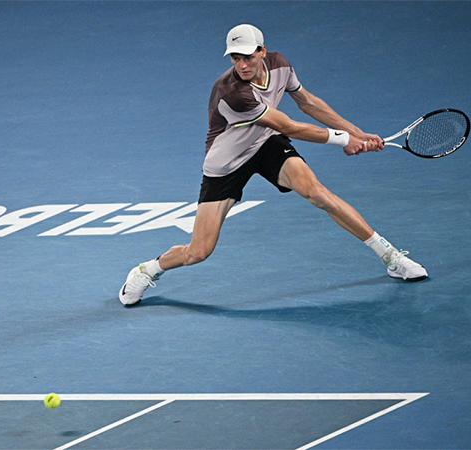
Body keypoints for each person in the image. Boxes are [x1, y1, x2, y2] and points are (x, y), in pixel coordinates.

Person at [119, 24, 427, 306]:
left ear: (262, 51)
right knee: (199, 251)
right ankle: (148, 269)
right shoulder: (233, 93)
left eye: (248, 57)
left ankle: (390, 256)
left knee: (317, 193)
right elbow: (291, 127)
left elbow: (307, 102)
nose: (242, 65)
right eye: (235, 58)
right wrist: (342, 140)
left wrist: (355, 132)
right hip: (226, 165)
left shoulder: (280, 64)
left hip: (265, 144)